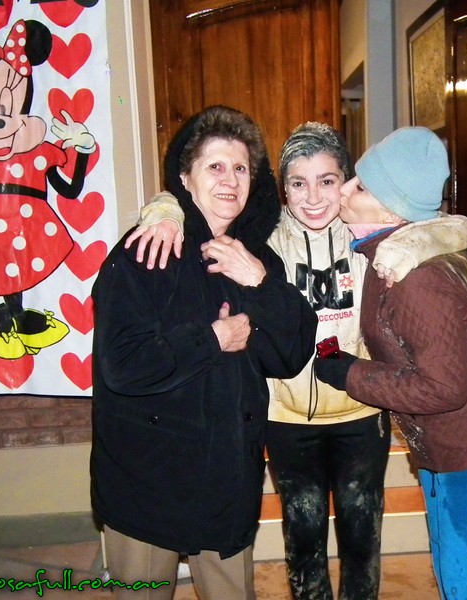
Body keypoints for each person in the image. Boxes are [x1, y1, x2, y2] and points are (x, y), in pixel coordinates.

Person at [128, 122, 467, 599]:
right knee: (303, 537)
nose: (313, 197)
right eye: (298, 183)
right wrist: (164, 209)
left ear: (348, 183)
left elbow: (456, 227)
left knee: (362, 536)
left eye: (327, 180)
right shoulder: (262, 233)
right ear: (282, 188)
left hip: (362, 411)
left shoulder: (367, 227)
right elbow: (202, 202)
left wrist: (411, 245)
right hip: (287, 417)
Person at [90, 106, 318, 600]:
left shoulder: (256, 257)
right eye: (215, 166)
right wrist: (213, 339)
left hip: (226, 479)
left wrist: (259, 283)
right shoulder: (146, 251)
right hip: (147, 479)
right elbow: (122, 365)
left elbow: (292, 353)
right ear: (184, 177)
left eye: (241, 168)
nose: (230, 180)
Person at [313, 126, 467, 600]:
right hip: (453, 442)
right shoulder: (391, 257)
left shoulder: (416, 279)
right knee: (457, 569)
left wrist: (350, 374)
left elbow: (443, 388)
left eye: (360, 187)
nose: (344, 191)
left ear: (392, 211)